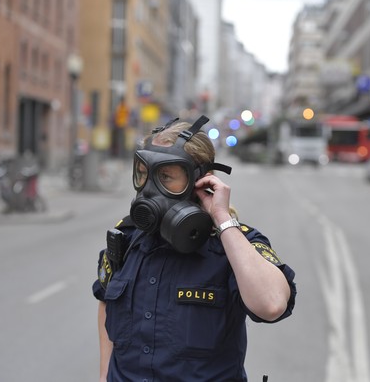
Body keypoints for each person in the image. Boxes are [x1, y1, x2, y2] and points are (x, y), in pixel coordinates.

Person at [92, 116, 297, 382]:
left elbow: (270, 305)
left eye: (165, 176)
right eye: (143, 173)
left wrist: (222, 218)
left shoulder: (233, 244)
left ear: (201, 180)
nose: (149, 188)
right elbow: (106, 302)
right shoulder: (128, 238)